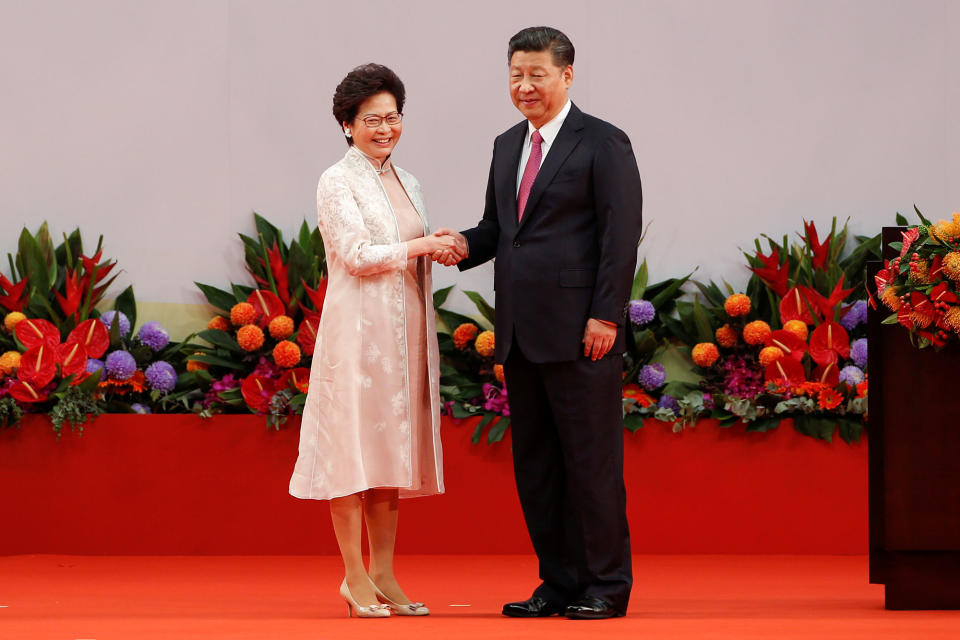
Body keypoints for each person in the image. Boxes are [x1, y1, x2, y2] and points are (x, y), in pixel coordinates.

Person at [435, 27, 643, 619]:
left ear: (567, 76)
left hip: (584, 331)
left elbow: (619, 237)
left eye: (537, 76)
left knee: (591, 464)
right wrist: (458, 246)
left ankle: (606, 585)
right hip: (522, 334)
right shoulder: (507, 145)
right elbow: (500, 230)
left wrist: (605, 314)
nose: (525, 87)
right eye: (515, 76)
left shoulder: (603, 142)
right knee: (537, 468)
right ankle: (558, 582)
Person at [289, 63, 456, 619]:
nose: (384, 128)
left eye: (392, 117)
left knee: (388, 456)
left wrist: (442, 245)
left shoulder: (409, 182)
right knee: (350, 453)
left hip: (405, 336)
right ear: (346, 124)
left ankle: (384, 572)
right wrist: (422, 245)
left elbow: (414, 247)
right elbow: (357, 257)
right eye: (371, 120)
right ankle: (353, 575)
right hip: (358, 338)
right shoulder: (336, 180)